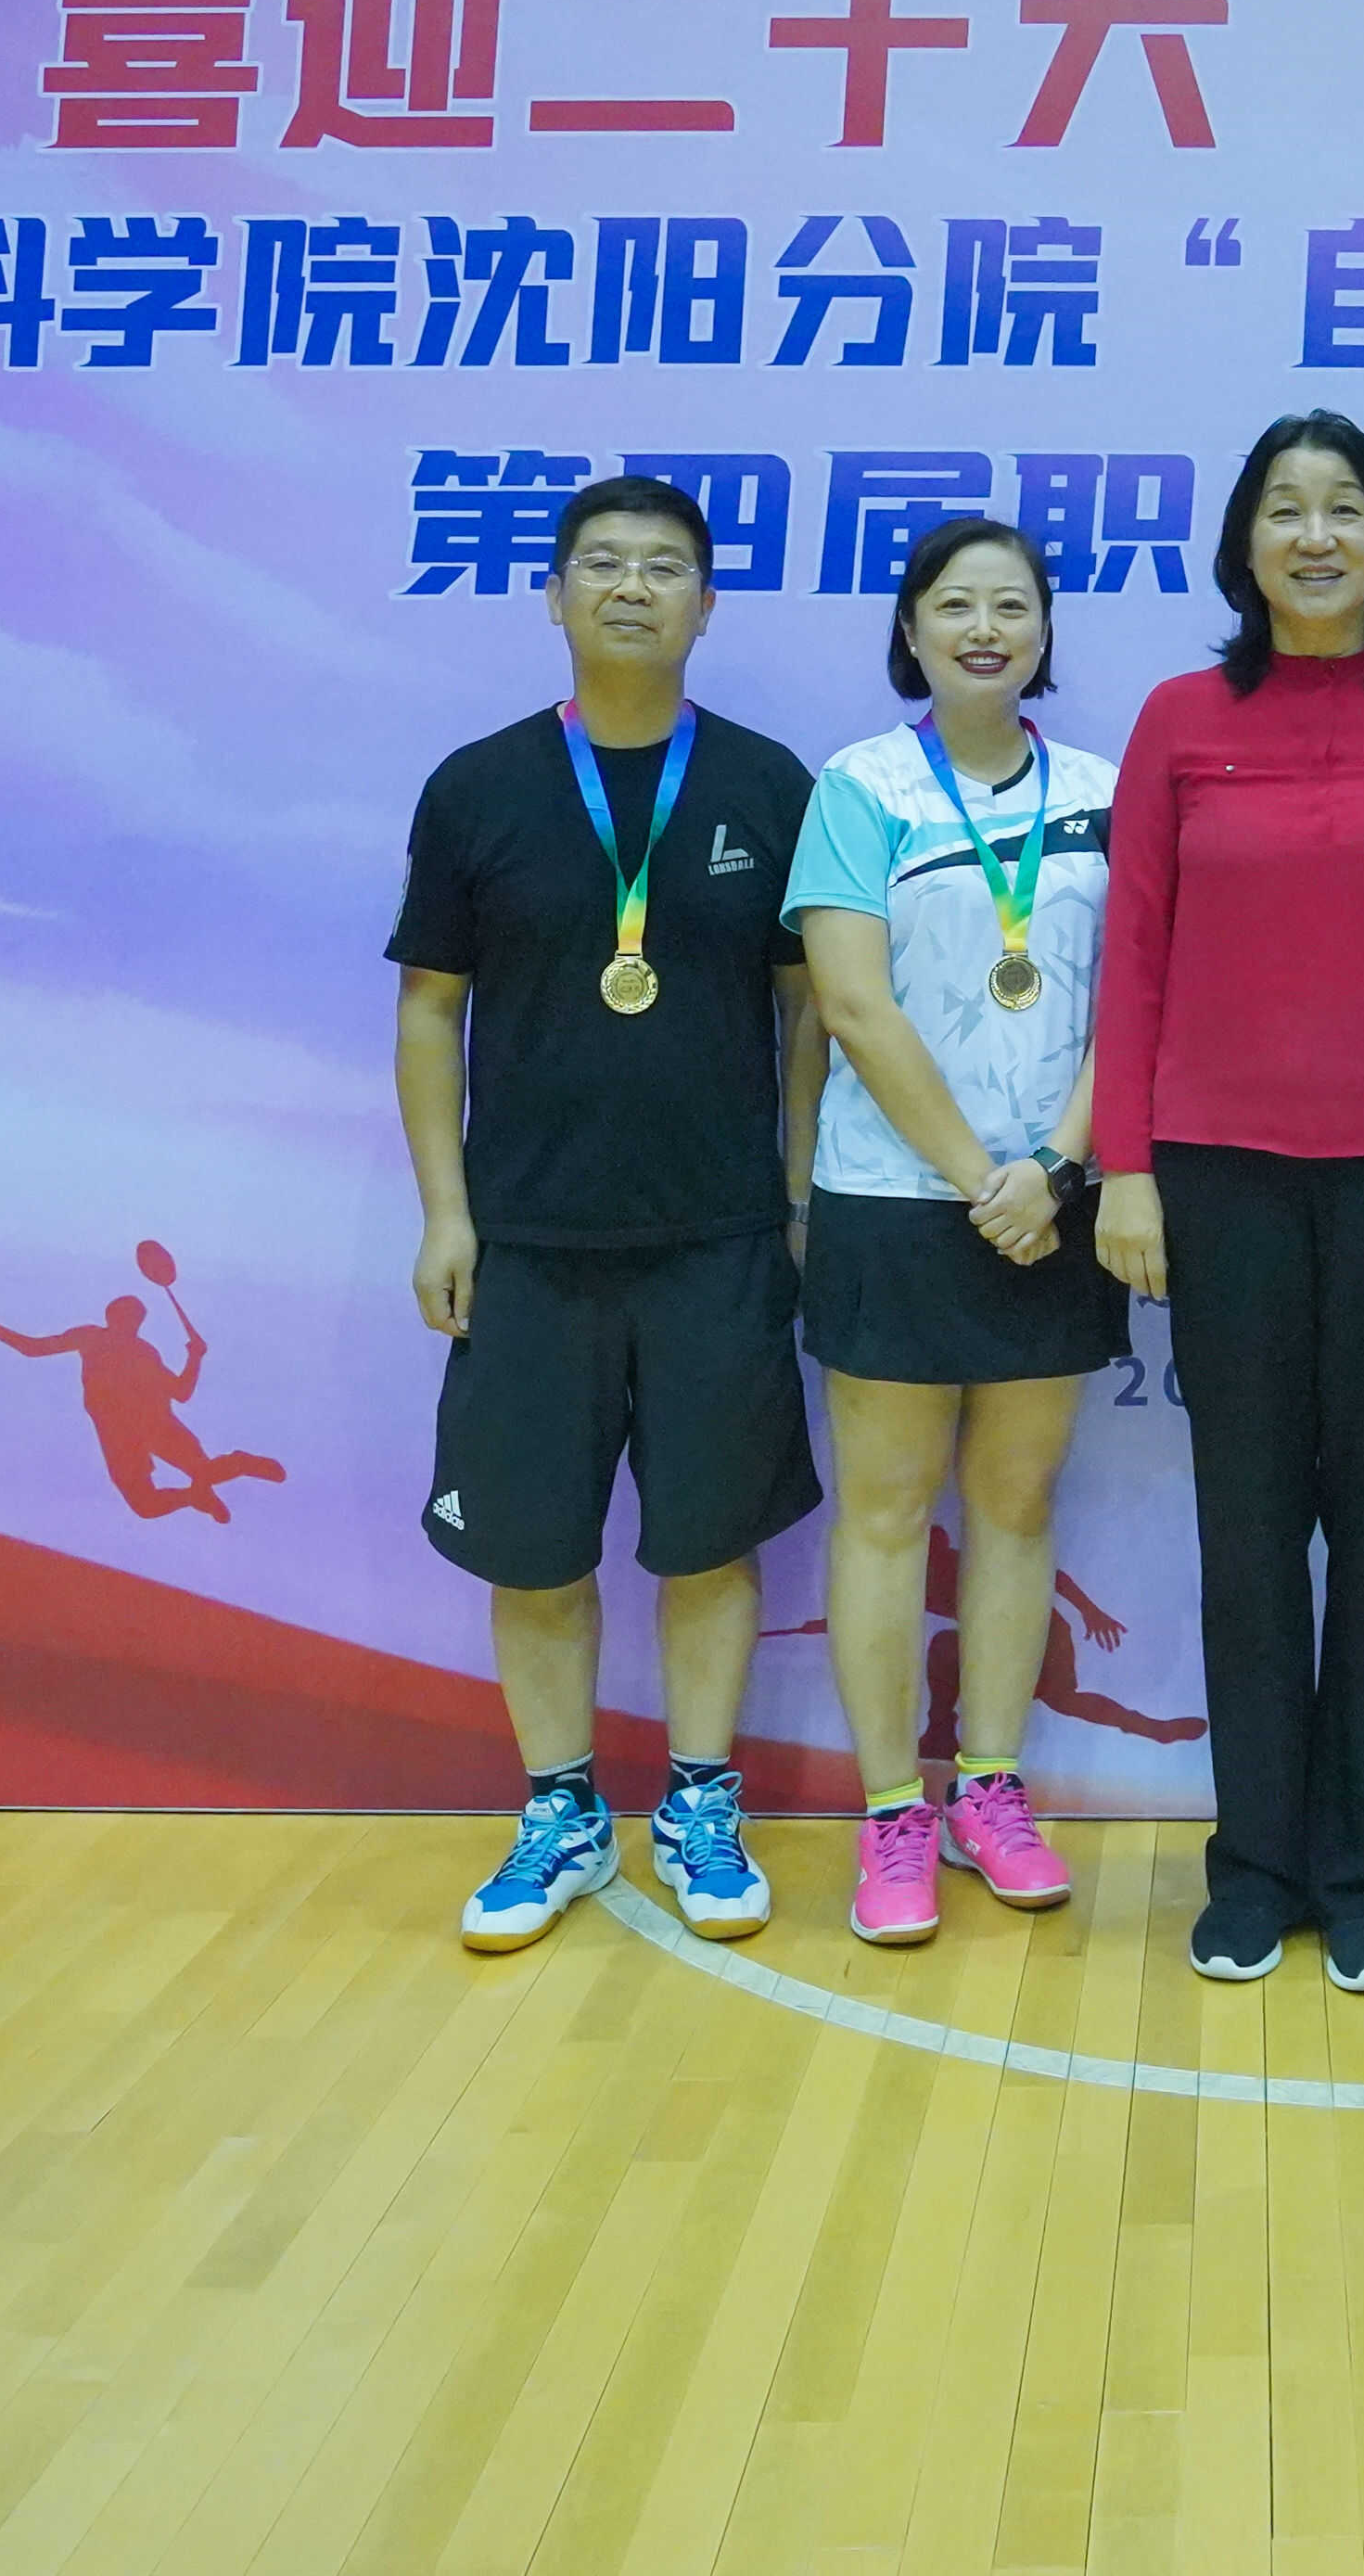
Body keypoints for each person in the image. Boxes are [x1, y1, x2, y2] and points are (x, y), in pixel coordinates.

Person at [1090, 411, 1364, 1994]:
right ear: (1244, 545)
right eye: (1283, 508)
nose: (1315, 533)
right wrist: (1126, 1166)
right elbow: (1133, 950)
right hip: (1219, 1172)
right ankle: (1256, 1864)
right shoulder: (1179, 716)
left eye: (1344, 506)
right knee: (1248, 1527)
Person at [390, 475, 825, 1955]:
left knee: (709, 1543)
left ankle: (700, 1798)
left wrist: (793, 1193)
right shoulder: (476, 786)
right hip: (526, 1241)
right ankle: (562, 1807)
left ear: (706, 603)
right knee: (534, 1552)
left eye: (662, 566)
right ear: (555, 594)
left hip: (717, 1236)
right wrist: (445, 1212)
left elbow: (808, 1013)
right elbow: (429, 1010)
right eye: (602, 563)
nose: (631, 586)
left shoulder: (765, 783)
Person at [787, 515, 1126, 1944]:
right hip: (893, 1199)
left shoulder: (1106, 791)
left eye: (1012, 605)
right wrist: (983, 1174)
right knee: (882, 1511)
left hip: (1057, 1202)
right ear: (911, 629)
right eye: (955, 604)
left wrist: (1054, 1166)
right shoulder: (859, 785)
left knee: (1015, 1503)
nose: (985, 627)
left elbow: (1138, 999)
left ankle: (990, 1785)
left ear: (1043, 630)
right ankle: (890, 1810)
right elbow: (849, 1003)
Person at [0, 1254, 284, 1524]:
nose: (131, 1322)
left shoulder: (109, 1342)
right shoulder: (129, 1348)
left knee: (162, 1494)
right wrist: (194, 1357)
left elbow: (33, 1348)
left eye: (133, 1318)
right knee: (157, 1499)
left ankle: (224, 1475)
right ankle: (206, 1489)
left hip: (134, 1429)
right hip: (131, 1430)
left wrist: (195, 1358)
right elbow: (182, 1392)